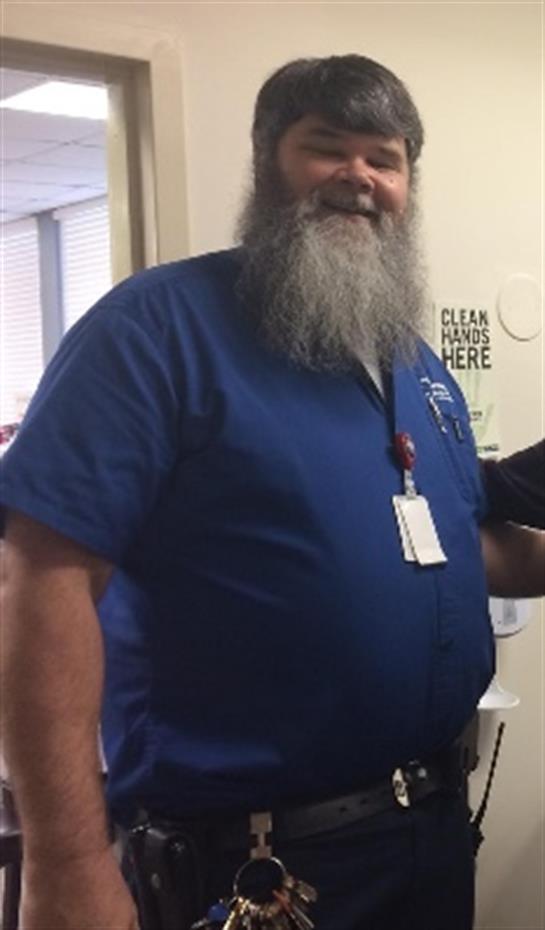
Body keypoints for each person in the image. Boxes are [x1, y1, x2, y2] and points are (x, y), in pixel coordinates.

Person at [1, 55, 544, 930]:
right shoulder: (155, 332)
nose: (359, 178)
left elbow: (458, 545)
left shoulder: (415, 367)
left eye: (386, 158)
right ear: (267, 162)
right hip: (258, 873)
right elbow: (42, 581)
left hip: (428, 839)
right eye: (327, 148)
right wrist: (64, 866)